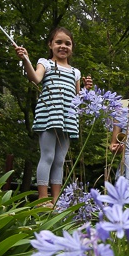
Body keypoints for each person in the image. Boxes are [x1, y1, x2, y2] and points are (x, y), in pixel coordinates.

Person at [16, 27, 92, 202]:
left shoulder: (76, 72)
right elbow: (35, 78)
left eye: (68, 43)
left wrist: (87, 91)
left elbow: (78, 99)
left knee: (59, 160)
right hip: (50, 115)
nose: (63, 46)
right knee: (48, 156)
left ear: (72, 47)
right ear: (50, 44)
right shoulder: (46, 63)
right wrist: (26, 60)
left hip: (67, 117)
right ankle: (43, 199)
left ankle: (56, 201)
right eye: (58, 42)